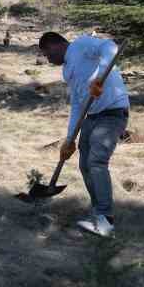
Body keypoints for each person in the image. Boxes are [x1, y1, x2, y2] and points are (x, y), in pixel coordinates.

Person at [38, 32, 129, 238]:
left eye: (47, 54)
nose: (48, 59)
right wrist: (69, 140)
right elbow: (78, 104)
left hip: (112, 112)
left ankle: (106, 220)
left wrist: (100, 77)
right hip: (92, 115)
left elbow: (110, 47)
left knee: (97, 161)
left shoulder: (81, 45)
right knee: (85, 164)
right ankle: (98, 213)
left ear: (55, 45)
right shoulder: (67, 70)